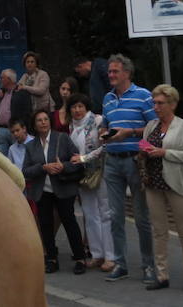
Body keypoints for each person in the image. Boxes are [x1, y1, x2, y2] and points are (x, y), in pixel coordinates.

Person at [100, 53, 156, 284]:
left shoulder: (144, 96)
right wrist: (104, 133)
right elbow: (105, 123)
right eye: (110, 71)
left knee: (142, 218)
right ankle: (121, 264)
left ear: (127, 73)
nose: (111, 75)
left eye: (115, 71)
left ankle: (148, 266)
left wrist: (129, 133)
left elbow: (155, 129)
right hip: (112, 160)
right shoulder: (107, 98)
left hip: (135, 160)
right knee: (115, 217)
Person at [139, 84, 183, 293]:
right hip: (153, 184)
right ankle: (162, 275)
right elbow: (145, 146)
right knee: (159, 232)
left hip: (177, 185)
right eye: (154, 103)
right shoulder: (151, 126)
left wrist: (165, 153)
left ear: (172, 104)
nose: (156, 107)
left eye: (160, 103)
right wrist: (144, 152)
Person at [23, 109, 86, 274]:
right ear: (34, 125)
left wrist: (63, 166)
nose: (43, 122)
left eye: (45, 119)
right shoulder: (30, 146)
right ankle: (51, 258)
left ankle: (80, 258)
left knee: (69, 222)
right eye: (39, 120)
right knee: (45, 225)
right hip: (42, 190)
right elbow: (26, 171)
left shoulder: (62, 138)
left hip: (63, 188)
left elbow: (78, 161)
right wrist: (43, 167)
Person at [67, 93, 117, 273]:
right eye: (73, 107)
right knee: (89, 213)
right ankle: (97, 254)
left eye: (80, 106)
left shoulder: (98, 121)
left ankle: (111, 256)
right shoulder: (72, 125)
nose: (77, 110)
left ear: (86, 107)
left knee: (105, 212)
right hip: (83, 174)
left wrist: (85, 158)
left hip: (100, 170)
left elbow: (105, 146)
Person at [0, 68, 33, 156]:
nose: (0, 80)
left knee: (18, 157)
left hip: (16, 130)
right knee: (0, 158)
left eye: (2, 78)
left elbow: (27, 112)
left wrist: (24, 128)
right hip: (1, 129)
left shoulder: (22, 93)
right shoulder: (1, 93)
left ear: (9, 79)